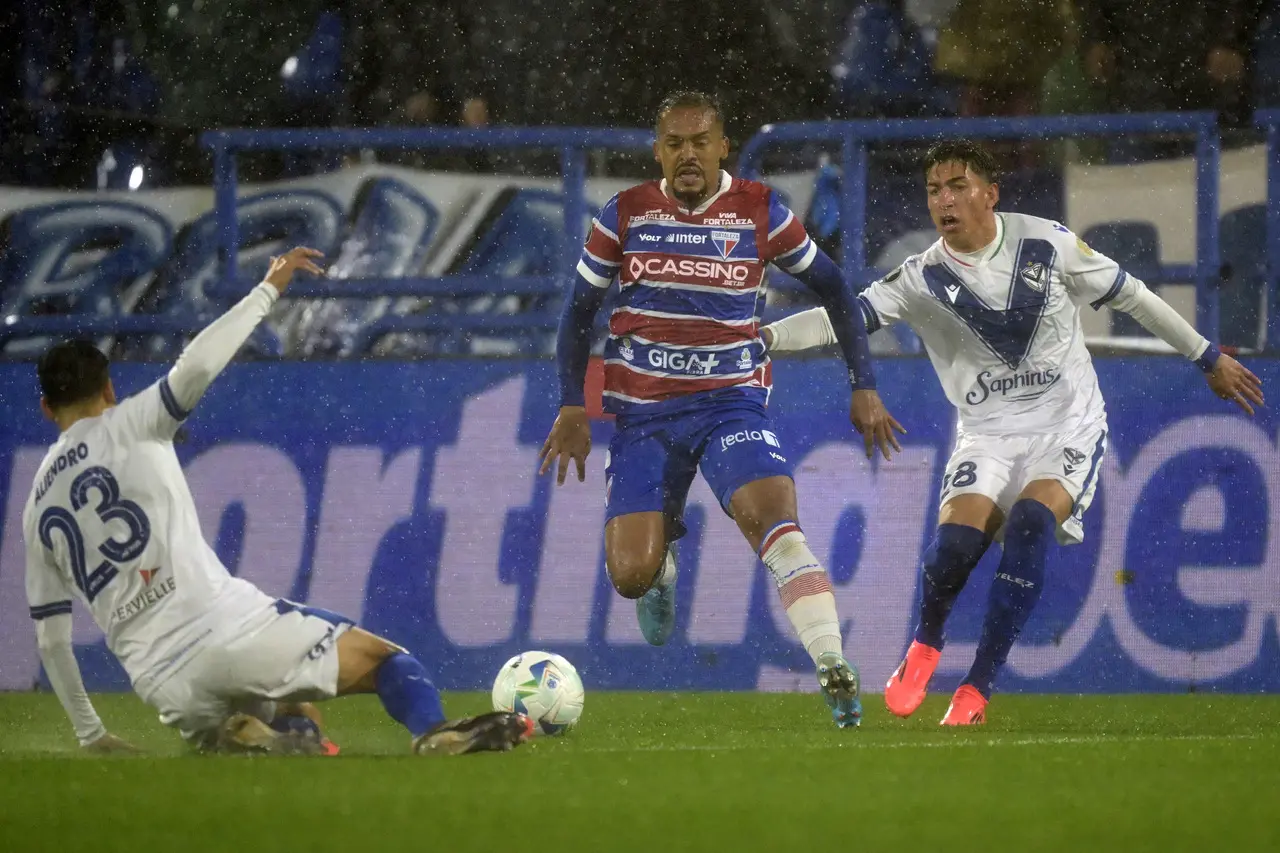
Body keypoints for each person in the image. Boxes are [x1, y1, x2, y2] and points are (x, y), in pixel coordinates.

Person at [760, 140, 1264, 725]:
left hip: (1066, 425)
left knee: (1028, 524)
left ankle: (977, 688)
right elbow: (840, 318)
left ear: (990, 193)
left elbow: (1134, 297)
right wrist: (764, 338)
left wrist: (1207, 358)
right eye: (934, 190)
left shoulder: (1046, 244)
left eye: (957, 186)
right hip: (988, 433)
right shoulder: (921, 276)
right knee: (952, 555)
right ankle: (925, 644)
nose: (944, 201)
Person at [24, 247, 533, 756]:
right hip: (224, 626)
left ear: (47, 407)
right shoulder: (133, 422)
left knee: (291, 706)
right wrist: (266, 290)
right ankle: (432, 734)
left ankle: (254, 733)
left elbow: (50, 639)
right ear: (109, 388)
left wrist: (92, 734)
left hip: (161, 683)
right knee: (388, 661)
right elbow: (196, 364)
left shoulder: (37, 508)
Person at [539, 91, 904, 728]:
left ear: (721, 147)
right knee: (629, 574)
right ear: (658, 151)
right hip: (644, 415)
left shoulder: (762, 210)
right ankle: (660, 569)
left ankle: (832, 666)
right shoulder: (622, 214)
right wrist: (573, 405)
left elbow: (836, 289)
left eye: (698, 142)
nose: (686, 155)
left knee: (774, 520)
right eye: (674, 144)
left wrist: (863, 383)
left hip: (731, 404)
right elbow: (577, 314)